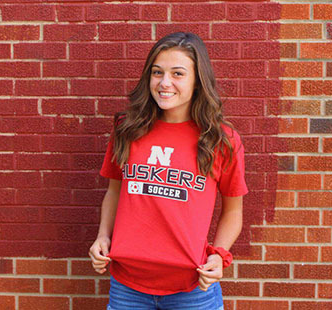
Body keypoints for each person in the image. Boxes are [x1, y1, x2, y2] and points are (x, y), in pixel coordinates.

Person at [89, 32, 248, 310]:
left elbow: (233, 210)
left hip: (192, 288)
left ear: (198, 81)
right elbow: (114, 192)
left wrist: (219, 255)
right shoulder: (127, 130)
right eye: (157, 72)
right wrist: (103, 236)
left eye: (178, 74)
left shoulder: (221, 140)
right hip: (128, 287)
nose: (165, 83)